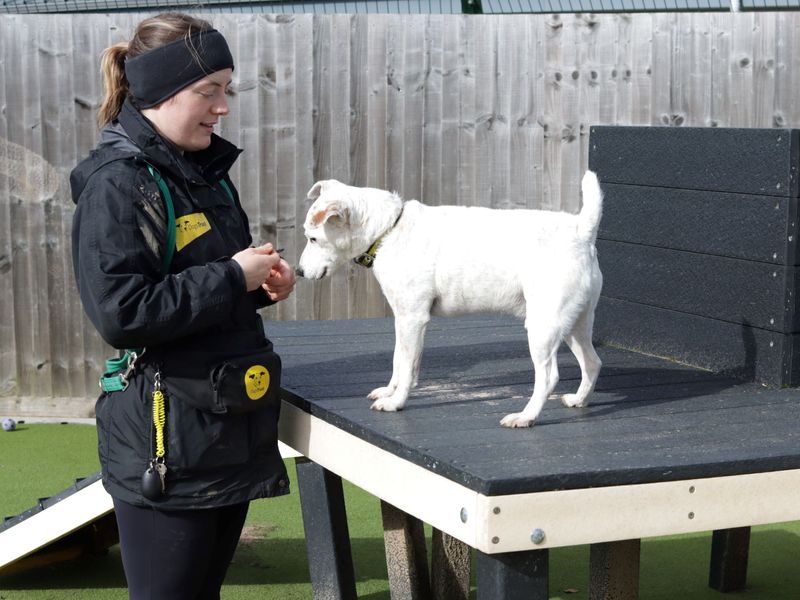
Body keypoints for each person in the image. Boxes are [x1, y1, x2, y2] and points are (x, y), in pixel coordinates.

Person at [70, 13, 296, 599]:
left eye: (226, 89)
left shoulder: (207, 175)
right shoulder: (119, 184)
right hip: (164, 443)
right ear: (160, 91)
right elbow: (123, 314)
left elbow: (203, 293)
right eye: (208, 91)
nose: (223, 107)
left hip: (224, 430)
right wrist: (230, 275)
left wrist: (261, 283)